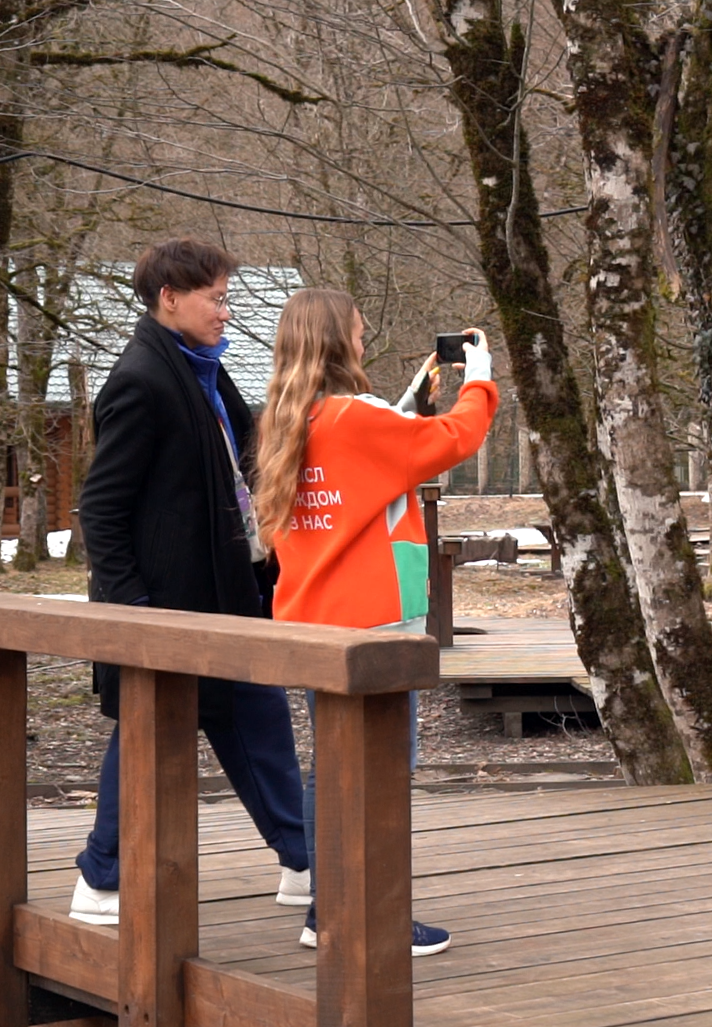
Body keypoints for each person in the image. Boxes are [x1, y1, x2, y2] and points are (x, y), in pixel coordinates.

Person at [71, 239, 311, 923]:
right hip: (168, 613)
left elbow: (249, 453)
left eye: (227, 296)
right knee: (146, 737)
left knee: (260, 723)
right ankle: (100, 879)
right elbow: (101, 508)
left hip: (227, 601)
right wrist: (134, 613)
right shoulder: (142, 380)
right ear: (169, 298)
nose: (226, 311)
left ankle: (303, 862)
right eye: (216, 297)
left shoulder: (203, 370)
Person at [252, 289, 497, 956]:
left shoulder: (289, 416)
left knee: (328, 768)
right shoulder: (355, 419)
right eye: (357, 335)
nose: (363, 344)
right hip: (372, 627)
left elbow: (367, 458)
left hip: (311, 618)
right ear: (338, 341)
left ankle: (325, 909)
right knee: (383, 769)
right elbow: (454, 438)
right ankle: (372, 916)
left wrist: (413, 395)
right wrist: (479, 377)